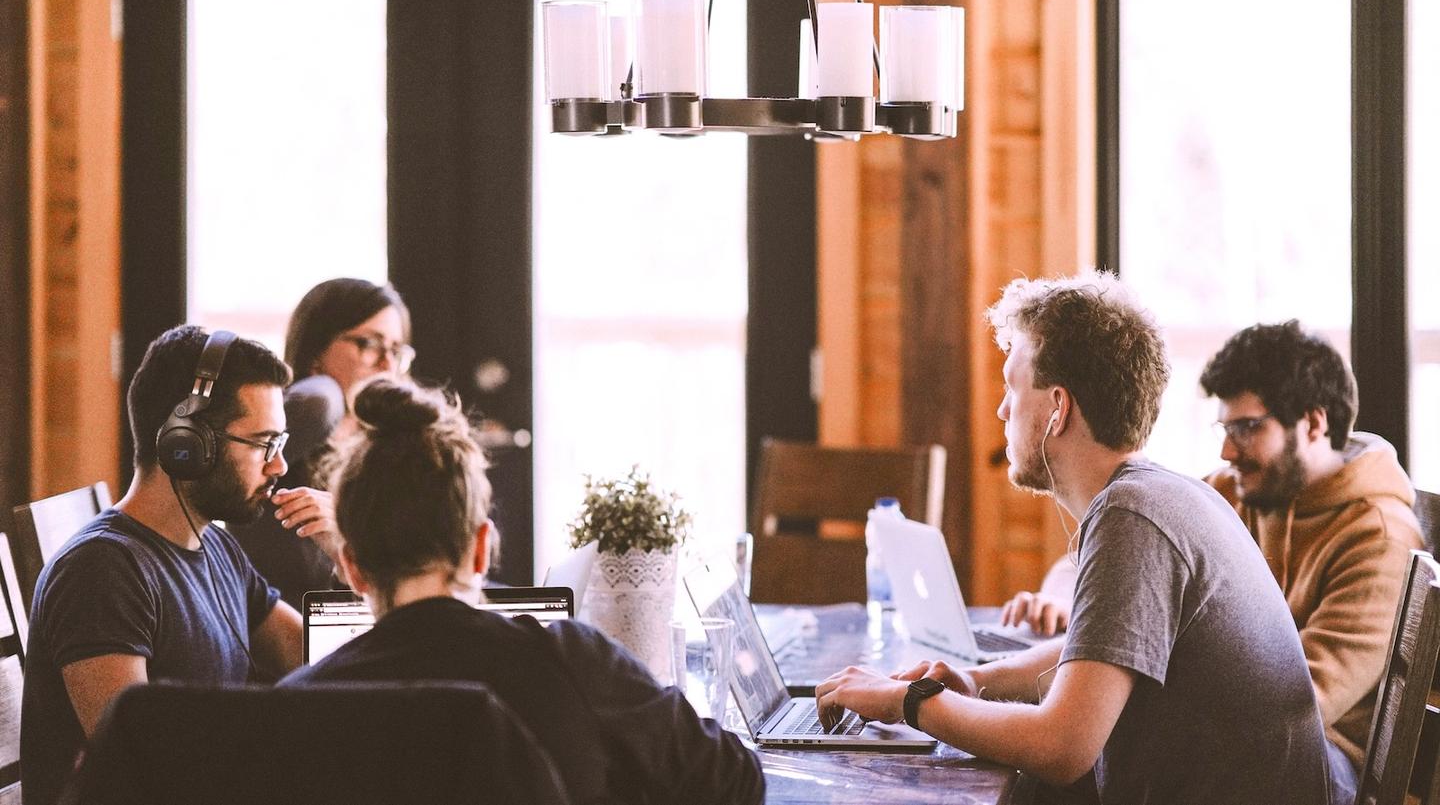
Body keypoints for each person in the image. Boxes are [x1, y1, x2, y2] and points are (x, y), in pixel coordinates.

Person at [815, 272, 1334, 805]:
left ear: (1057, 409)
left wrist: (907, 701)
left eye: (1012, 388)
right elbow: (1098, 650)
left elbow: (1063, 747)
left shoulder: (1132, 515)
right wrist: (974, 681)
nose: (1001, 410)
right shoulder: (1166, 495)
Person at [279, 377, 765, 805]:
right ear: (480, 549)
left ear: (353, 567)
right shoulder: (572, 661)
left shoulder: (296, 707)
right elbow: (736, 783)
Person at [999, 320, 1421, 799]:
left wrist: (1098, 691)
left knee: (1065, 754)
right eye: (1224, 427)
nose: (1226, 449)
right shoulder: (1232, 490)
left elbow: (1296, 704)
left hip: (1321, 764)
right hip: (1235, 735)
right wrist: (1058, 597)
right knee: (1045, 762)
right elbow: (1117, 562)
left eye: (1246, 428)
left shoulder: (1380, 535)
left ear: (1314, 423)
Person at [21, 325, 336, 805]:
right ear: (186, 445)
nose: (280, 467)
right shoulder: (102, 570)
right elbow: (138, 771)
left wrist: (345, 550)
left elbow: (330, 666)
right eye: (264, 443)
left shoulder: (217, 549)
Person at [230, 278, 413, 608]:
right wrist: (325, 388)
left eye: (397, 351)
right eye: (369, 344)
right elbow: (316, 402)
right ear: (317, 349)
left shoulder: (394, 444)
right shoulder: (293, 430)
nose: (387, 364)